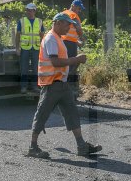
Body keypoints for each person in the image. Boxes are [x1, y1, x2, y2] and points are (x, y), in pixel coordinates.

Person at [27, 12, 102, 159]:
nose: (69, 29)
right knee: (42, 115)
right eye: (68, 25)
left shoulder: (58, 38)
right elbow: (55, 62)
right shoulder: (51, 38)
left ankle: (81, 146)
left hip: (61, 84)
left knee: (72, 113)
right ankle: (33, 147)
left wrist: (73, 64)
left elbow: (60, 62)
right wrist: (76, 59)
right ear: (58, 23)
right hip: (51, 85)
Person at [15, 3, 45, 94]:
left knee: (36, 68)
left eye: (30, 10)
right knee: (24, 68)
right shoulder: (22, 21)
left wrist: (43, 48)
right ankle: (23, 87)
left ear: (34, 11)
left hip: (36, 48)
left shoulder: (39, 21)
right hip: (25, 48)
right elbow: (17, 35)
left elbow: (42, 36)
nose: (28, 12)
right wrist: (17, 48)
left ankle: (35, 86)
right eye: (27, 10)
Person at [61, 0, 85, 93]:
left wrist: (77, 42)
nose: (79, 11)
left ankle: (63, 85)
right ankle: (69, 87)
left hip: (62, 42)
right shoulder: (73, 15)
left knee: (64, 65)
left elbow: (68, 33)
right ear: (73, 6)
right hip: (69, 44)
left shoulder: (63, 13)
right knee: (72, 64)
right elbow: (78, 28)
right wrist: (82, 37)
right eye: (79, 8)